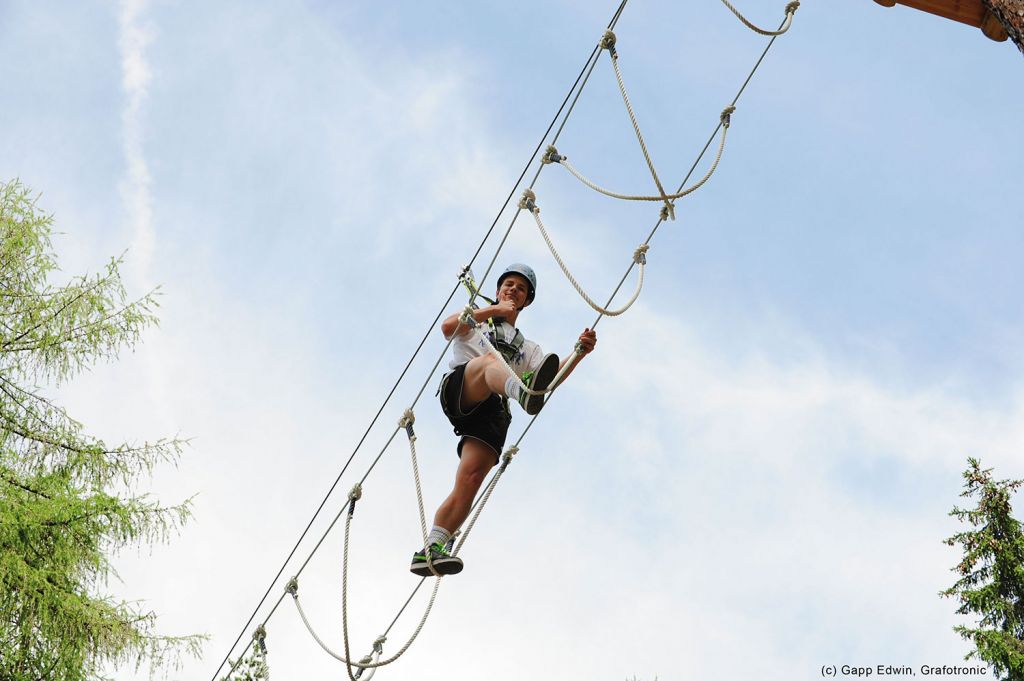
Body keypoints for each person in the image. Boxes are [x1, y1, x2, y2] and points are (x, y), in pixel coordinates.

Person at [410, 263, 597, 577]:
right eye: (508, 285)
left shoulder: (528, 348)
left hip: (493, 412)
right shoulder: (477, 321)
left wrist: (578, 353)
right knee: (488, 363)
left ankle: (432, 547)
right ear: (498, 290)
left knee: (470, 479)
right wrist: (493, 310)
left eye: (520, 289)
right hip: (464, 387)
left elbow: (545, 381)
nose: (513, 290)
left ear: (526, 301)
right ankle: (517, 391)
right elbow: (448, 328)